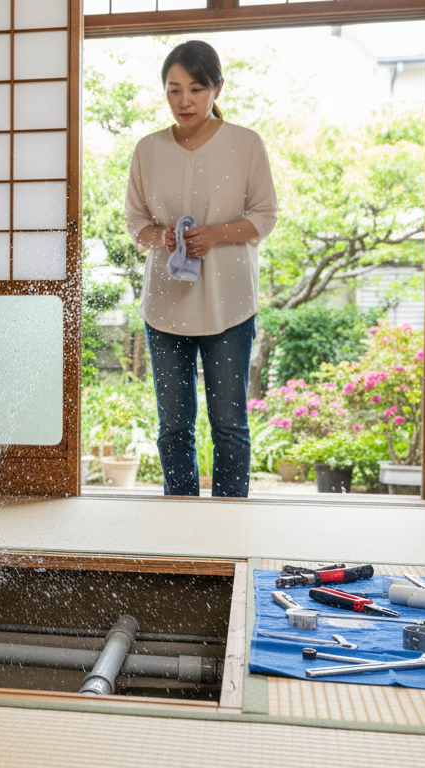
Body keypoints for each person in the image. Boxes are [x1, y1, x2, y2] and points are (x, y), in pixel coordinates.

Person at [124, 40, 279, 498]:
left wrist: (216, 234)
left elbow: (266, 215)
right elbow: (136, 222)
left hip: (229, 305)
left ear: (216, 88)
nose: (184, 101)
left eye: (195, 88)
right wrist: (162, 237)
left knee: (229, 424)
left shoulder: (247, 144)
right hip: (165, 307)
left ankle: (228, 527)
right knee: (173, 427)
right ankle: (182, 527)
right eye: (173, 90)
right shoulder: (147, 150)